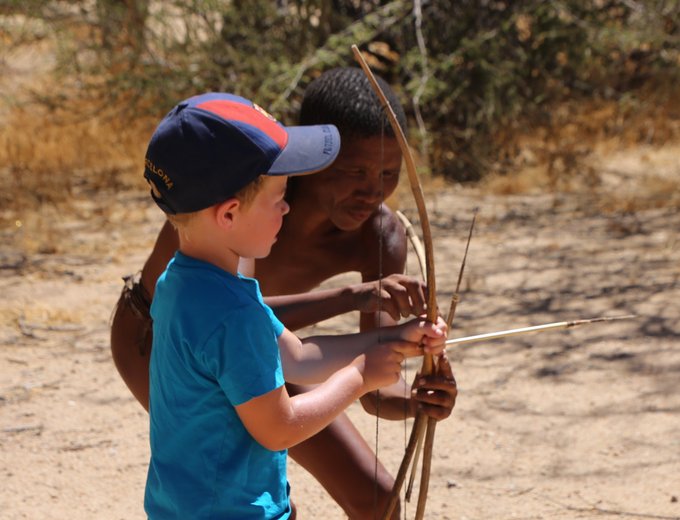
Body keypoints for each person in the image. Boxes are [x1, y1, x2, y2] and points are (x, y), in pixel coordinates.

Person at [111, 68, 458, 518]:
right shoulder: (238, 213)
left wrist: (409, 368)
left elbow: (287, 350)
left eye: (389, 172)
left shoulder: (207, 253)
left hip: (237, 359)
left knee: (372, 502)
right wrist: (356, 339)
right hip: (152, 340)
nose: (372, 190)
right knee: (248, 483)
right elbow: (251, 352)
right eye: (354, 169)